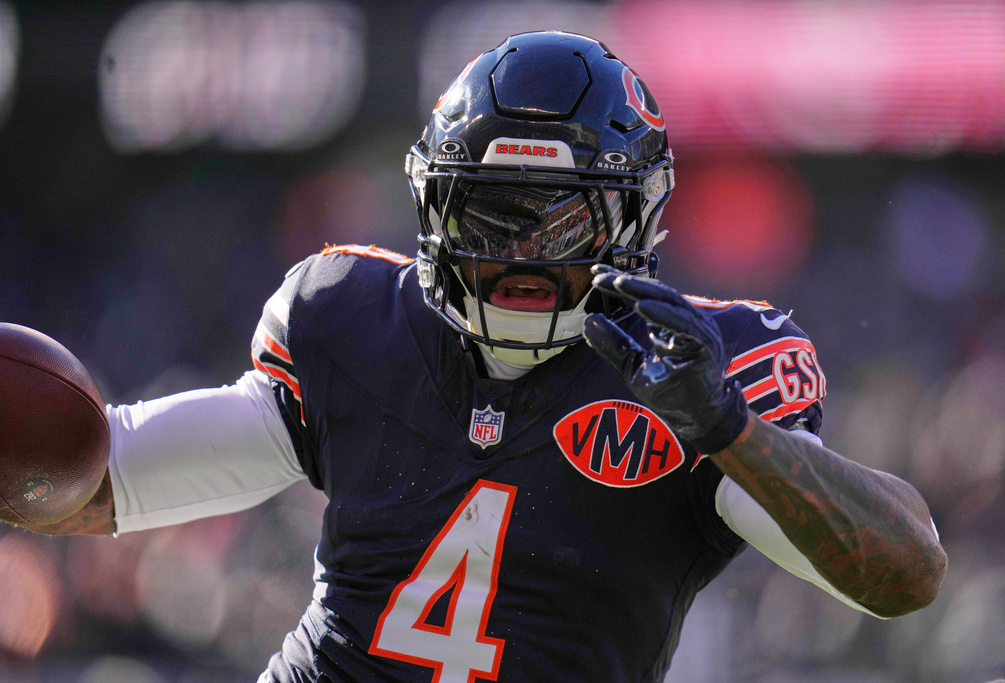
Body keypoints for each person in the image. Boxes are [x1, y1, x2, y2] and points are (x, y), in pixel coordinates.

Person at [19, 31, 946, 682]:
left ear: (638, 221)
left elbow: (906, 573)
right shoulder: (351, 319)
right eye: (490, 213)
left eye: (566, 220)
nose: (523, 258)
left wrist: (730, 429)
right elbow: (98, 483)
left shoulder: (704, 371)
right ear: (432, 208)